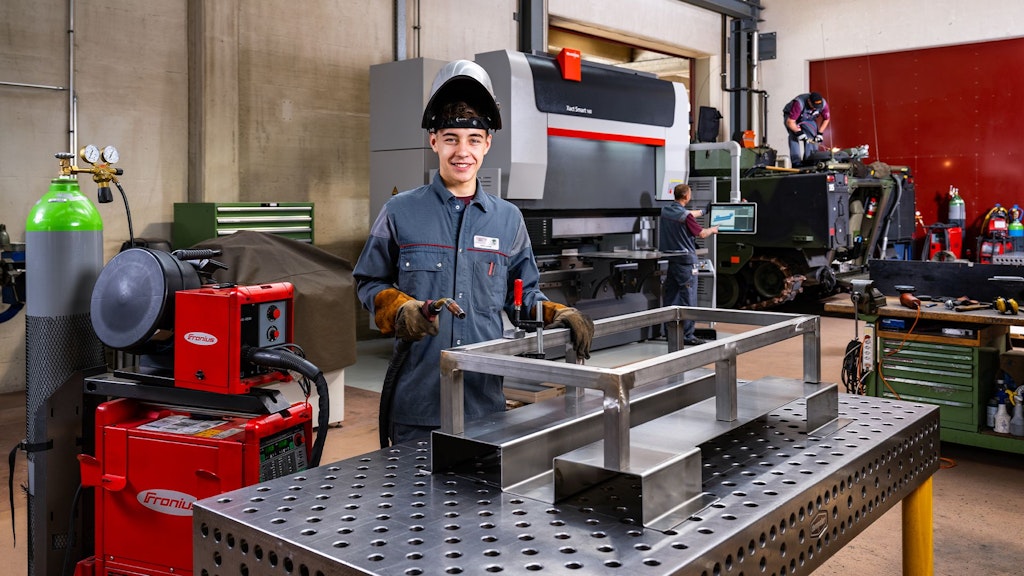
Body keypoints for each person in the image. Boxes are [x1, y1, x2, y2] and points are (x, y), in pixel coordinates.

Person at [353, 60, 595, 446]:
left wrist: (556, 313)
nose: (462, 151)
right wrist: (399, 309)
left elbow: (523, 297)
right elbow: (368, 281)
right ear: (434, 141)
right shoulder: (399, 211)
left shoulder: (508, 219)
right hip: (418, 404)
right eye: (451, 138)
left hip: (484, 404)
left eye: (473, 139)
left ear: (487, 144)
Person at [659, 183, 719, 345]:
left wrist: (704, 211)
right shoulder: (686, 217)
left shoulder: (666, 211)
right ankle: (687, 336)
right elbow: (702, 233)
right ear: (686, 196)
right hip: (686, 263)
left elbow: (686, 214)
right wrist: (713, 229)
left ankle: (669, 333)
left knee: (670, 299)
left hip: (672, 261)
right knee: (689, 300)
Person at [783, 92, 830, 167]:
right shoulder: (799, 103)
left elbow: (826, 119)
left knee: (812, 134)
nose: (815, 108)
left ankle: (810, 159)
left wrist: (820, 133)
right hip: (792, 117)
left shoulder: (823, 104)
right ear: (809, 101)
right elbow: (790, 122)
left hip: (808, 118)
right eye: (814, 106)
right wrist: (799, 132)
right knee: (793, 136)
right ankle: (796, 162)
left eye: (817, 107)